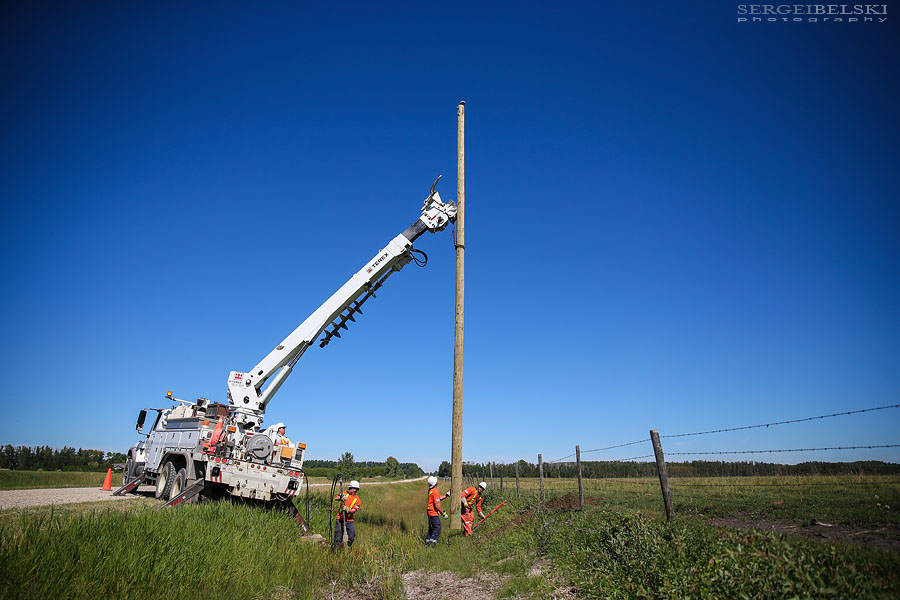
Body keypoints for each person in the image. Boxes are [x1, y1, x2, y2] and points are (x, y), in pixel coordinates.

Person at [334, 480, 362, 550]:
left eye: (350, 488)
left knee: (351, 536)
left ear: (355, 489)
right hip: (340, 518)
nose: (349, 489)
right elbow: (335, 498)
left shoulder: (357, 500)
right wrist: (341, 498)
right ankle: (337, 550)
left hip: (349, 520)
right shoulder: (344, 493)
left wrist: (347, 510)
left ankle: (348, 547)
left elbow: (353, 510)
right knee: (338, 536)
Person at [425, 476, 449, 547]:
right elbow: (437, 505)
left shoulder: (431, 490)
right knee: (437, 528)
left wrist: (446, 495)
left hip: (429, 512)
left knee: (431, 528)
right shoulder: (435, 491)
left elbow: (437, 499)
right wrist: (443, 513)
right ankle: (432, 545)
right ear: (436, 483)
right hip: (433, 513)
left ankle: (427, 544)